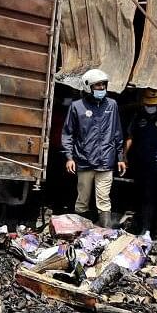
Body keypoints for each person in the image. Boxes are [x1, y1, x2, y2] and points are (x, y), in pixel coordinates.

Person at [62, 69, 126, 227]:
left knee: (104, 199)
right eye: (97, 85)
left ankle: (105, 232)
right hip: (84, 161)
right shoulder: (77, 107)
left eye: (103, 85)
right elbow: (68, 133)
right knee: (82, 200)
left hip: (106, 161)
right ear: (88, 87)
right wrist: (69, 157)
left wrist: (120, 158)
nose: (101, 88)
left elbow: (117, 132)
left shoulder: (112, 105)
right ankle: (79, 232)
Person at [124, 89, 157, 235]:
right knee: (138, 192)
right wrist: (123, 155)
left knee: (150, 193)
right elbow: (130, 136)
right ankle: (140, 225)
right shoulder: (138, 116)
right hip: (139, 159)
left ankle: (147, 228)